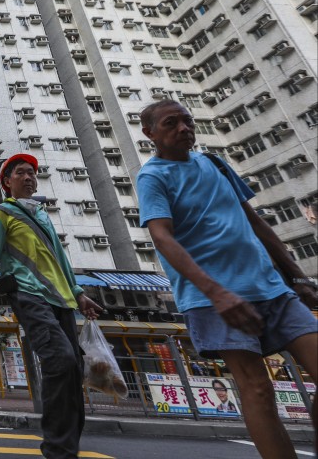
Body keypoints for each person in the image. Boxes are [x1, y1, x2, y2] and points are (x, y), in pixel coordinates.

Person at [136, 99, 318, 457]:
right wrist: (216, 293)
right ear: (149, 133)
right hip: (212, 299)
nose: (184, 128)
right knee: (257, 389)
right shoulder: (152, 176)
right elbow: (161, 237)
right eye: (171, 123)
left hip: (271, 288)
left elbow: (255, 222)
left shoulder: (214, 162)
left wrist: (298, 278)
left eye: (187, 121)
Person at [0, 153, 101, 459]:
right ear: (7, 182)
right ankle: (56, 449)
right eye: (21, 173)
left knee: (73, 371)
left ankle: (68, 449)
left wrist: (79, 294)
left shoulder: (42, 216)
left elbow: (60, 259)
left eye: (32, 173)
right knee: (60, 360)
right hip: (29, 295)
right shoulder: (1, 213)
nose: (28, 178)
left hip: (62, 300)